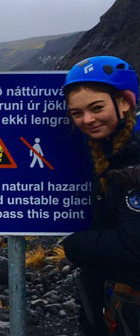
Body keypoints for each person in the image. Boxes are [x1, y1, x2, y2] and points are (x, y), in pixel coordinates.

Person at [61, 56, 140, 335]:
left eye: (96, 108)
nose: (87, 120)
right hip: (117, 305)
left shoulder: (133, 161)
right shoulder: (109, 154)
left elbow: (133, 245)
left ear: (124, 102)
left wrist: (76, 245)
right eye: (77, 113)